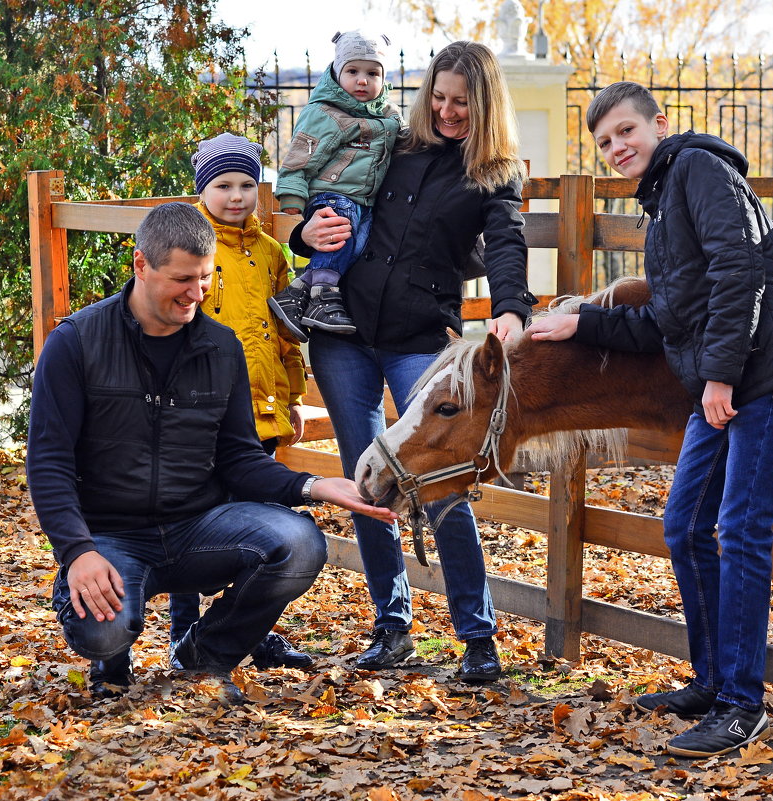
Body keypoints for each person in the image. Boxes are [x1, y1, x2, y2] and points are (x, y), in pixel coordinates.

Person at [529, 81, 773, 757]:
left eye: (625, 131)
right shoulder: (660, 203)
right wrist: (581, 322)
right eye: (604, 143)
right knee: (684, 525)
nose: (616, 148)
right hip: (717, 385)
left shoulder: (698, 168)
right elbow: (663, 321)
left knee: (739, 530)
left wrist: (720, 373)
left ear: (658, 123)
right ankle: (711, 680)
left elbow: (739, 269)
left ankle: (740, 704)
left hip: (762, 375)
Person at [25, 202, 395, 704]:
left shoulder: (220, 348)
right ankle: (111, 648)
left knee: (300, 541)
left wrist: (311, 485)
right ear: (140, 265)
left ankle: (204, 653)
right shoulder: (76, 342)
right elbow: (49, 463)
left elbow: (239, 457)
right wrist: (77, 552)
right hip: (110, 535)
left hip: (196, 527)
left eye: (204, 278)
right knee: (103, 632)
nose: (196, 294)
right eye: (182, 279)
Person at [290, 41, 537, 683]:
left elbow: (507, 241)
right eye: (439, 96)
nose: (447, 110)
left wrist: (511, 308)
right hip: (343, 332)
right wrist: (302, 233)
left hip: (420, 338)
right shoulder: (394, 144)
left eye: (461, 101)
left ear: (483, 105)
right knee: (366, 477)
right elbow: (327, 192)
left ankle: (478, 640)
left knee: (443, 481)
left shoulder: (496, 170)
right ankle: (391, 626)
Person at [161, 132, 312, 671]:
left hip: (262, 412)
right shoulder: (191, 249)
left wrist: (292, 396)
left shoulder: (271, 253)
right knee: (195, 518)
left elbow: (286, 333)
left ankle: (250, 629)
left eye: (247, 184)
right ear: (203, 189)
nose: (237, 196)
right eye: (223, 185)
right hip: (200, 413)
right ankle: (184, 631)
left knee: (265, 525)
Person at [268, 30, 403, 342]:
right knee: (340, 231)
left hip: (364, 202)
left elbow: (407, 137)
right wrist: (292, 199)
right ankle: (323, 295)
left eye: (372, 73)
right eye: (352, 71)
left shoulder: (388, 116)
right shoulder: (325, 113)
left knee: (359, 242)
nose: (362, 81)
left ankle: (295, 294)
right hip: (332, 195)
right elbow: (300, 157)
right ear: (337, 72)